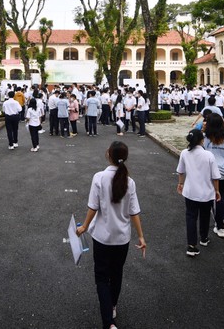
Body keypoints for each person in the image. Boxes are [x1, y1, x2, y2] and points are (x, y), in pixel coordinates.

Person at [76, 141, 146, 329]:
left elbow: (93, 206)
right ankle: (112, 307)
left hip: (102, 237)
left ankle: (109, 322)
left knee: (101, 277)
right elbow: (134, 212)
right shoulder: (129, 182)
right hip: (122, 238)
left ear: (108, 154)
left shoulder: (99, 177)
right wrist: (141, 237)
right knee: (116, 274)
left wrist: (84, 226)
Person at [176, 128, 220, 255]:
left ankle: (191, 246)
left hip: (190, 191)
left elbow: (180, 171)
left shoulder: (185, 153)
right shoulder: (208, 155)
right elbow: (215, 177)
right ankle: (204, 238)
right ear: (202, 140)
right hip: (206, 192)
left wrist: (180, 183)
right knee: (205, 216)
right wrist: (217, 191)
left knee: (190, 217)